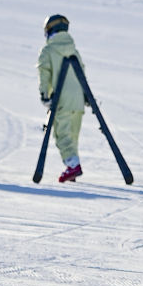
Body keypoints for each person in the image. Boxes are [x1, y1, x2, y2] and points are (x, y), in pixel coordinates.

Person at [37, 13, 86, 184]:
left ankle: (73, 165)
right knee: (73, 133)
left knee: (62, 133)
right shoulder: (74, 51)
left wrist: (44, 94)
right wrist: (86, 96)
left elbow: (44, 72)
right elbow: (82, 72)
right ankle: (72, 165)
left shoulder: (48, 51)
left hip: (62, 99)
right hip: (79, 99)